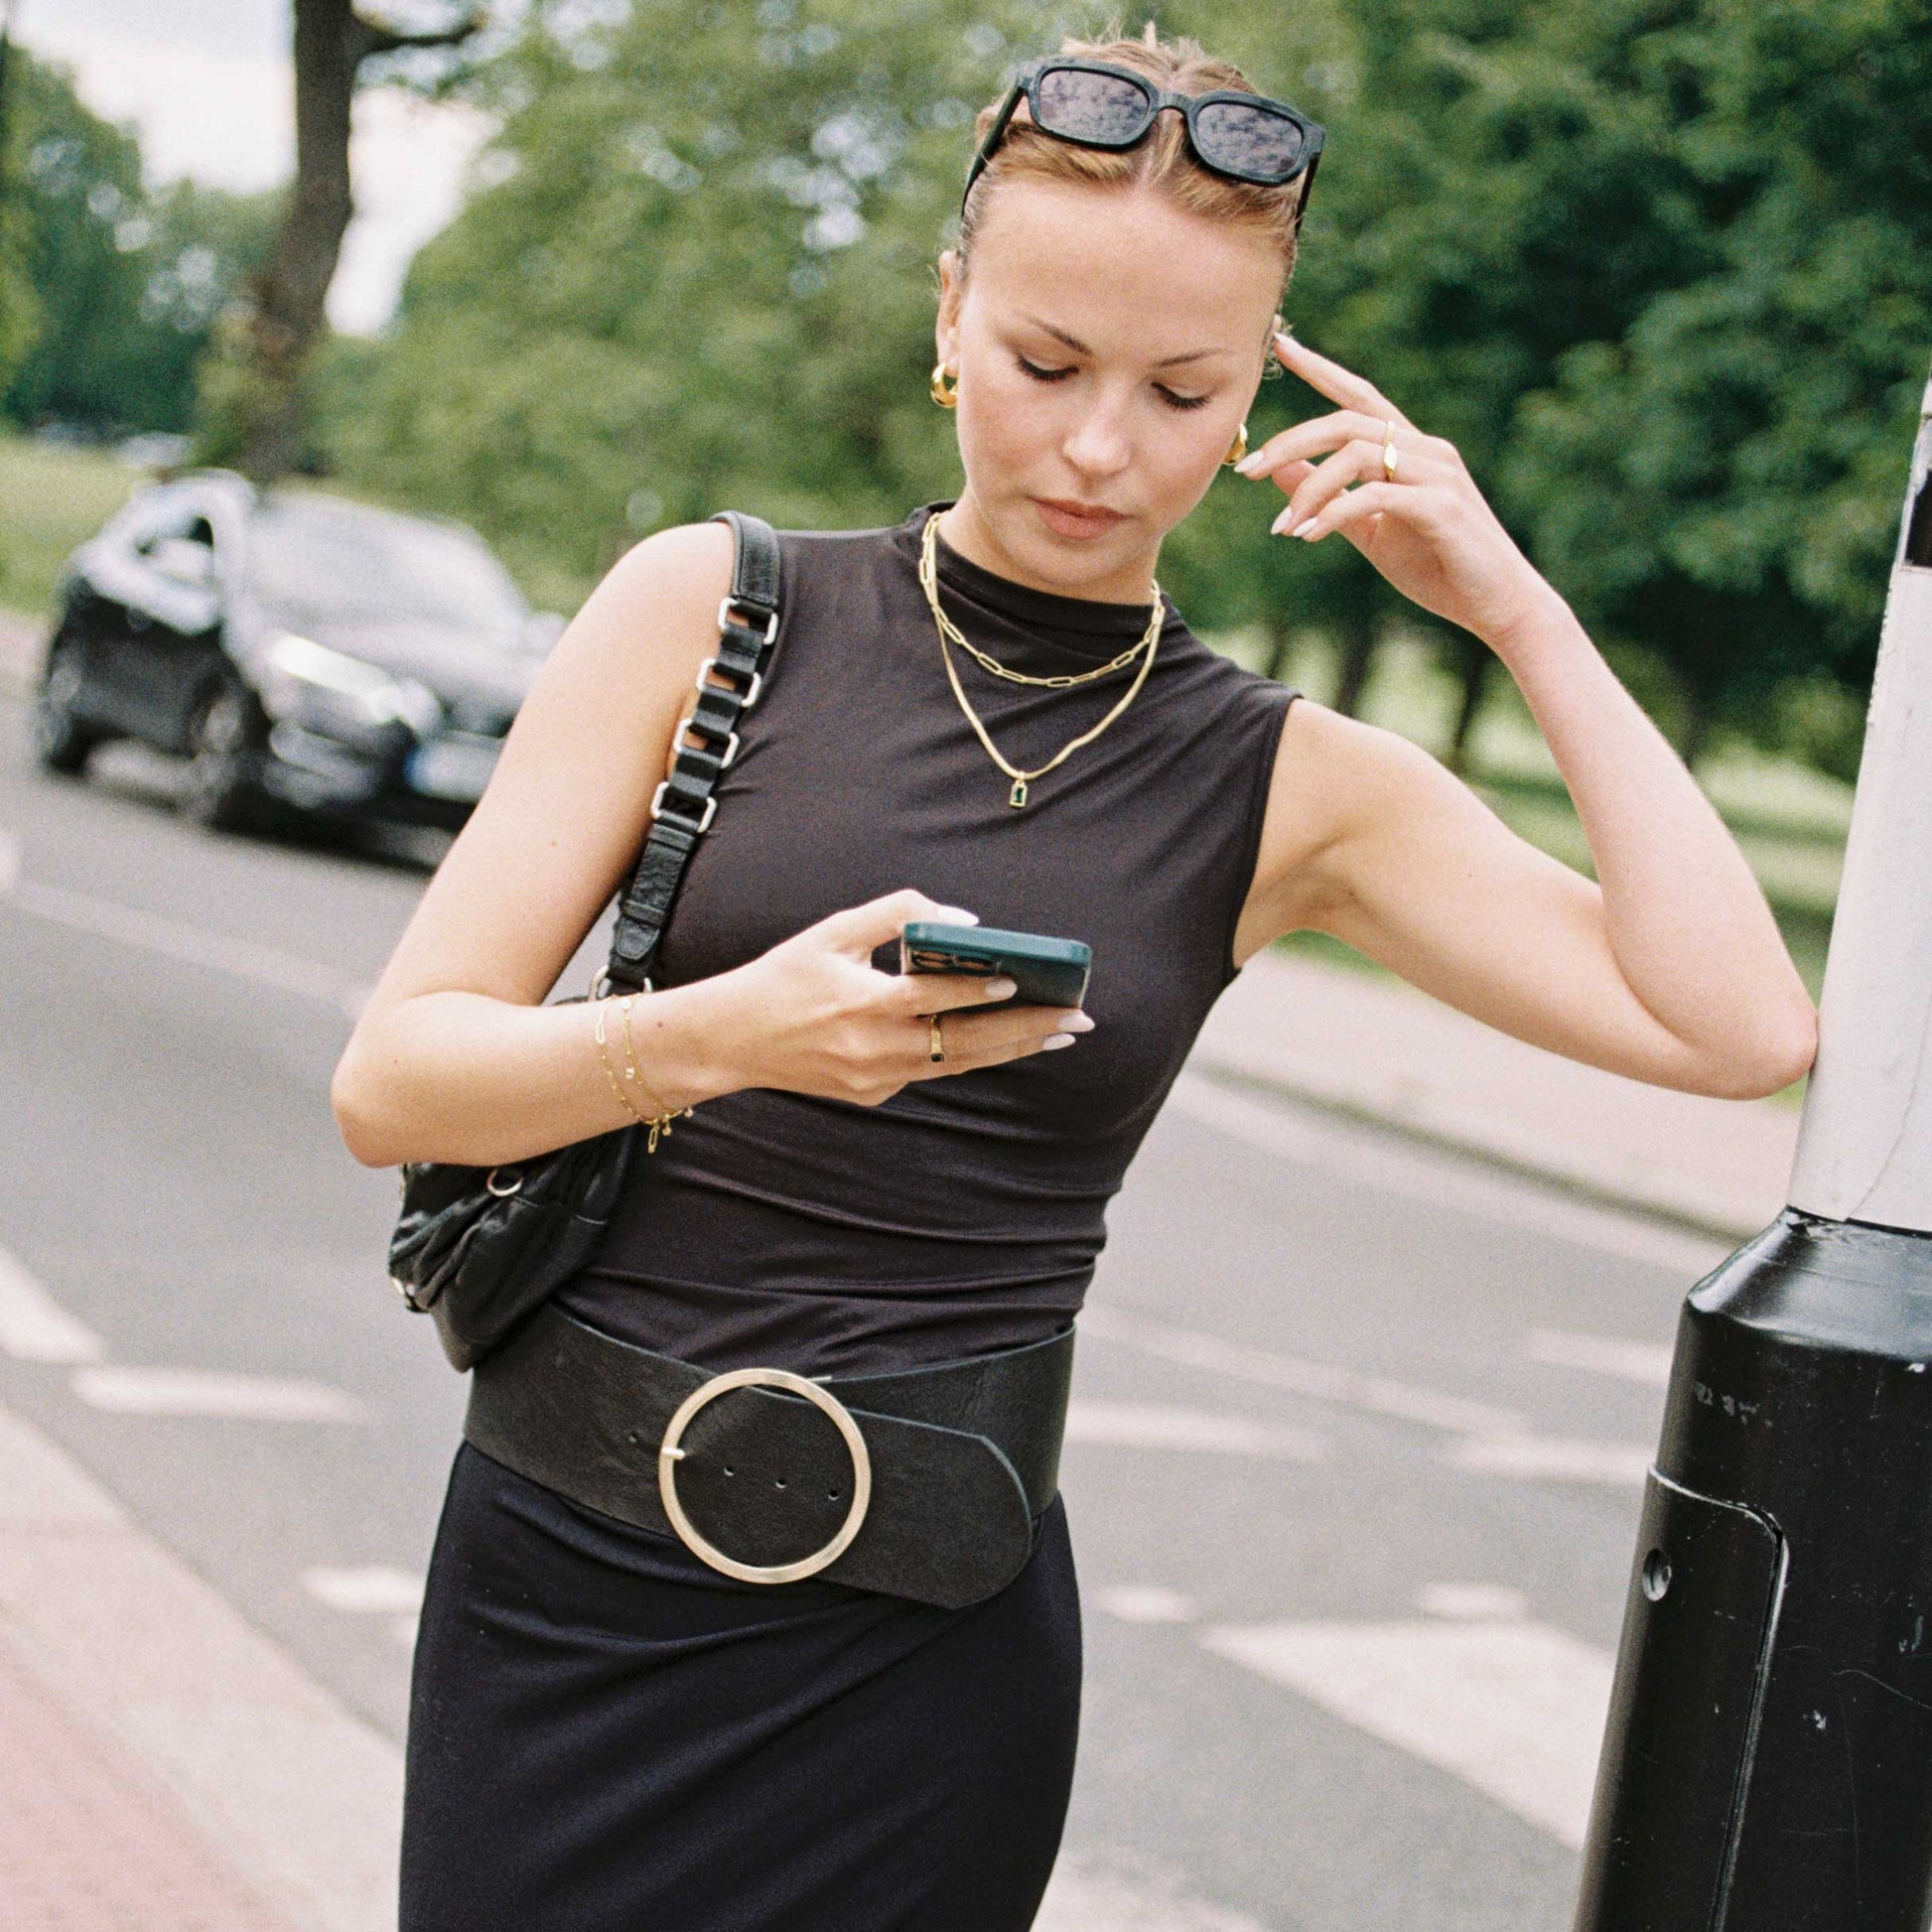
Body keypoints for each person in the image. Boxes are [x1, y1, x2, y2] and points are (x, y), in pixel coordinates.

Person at [330, 26, 1817, 1932]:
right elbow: (397, 1078)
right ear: (949, 314)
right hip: (569, 1592)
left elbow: (1738, 1027)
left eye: (1182, 393)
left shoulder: (1284, 781)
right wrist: (722, 1035)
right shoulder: (713, 607)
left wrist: (1513, 609)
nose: (1102, 448)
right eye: (1042, 365)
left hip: (924, 1667)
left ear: (1259, 396)